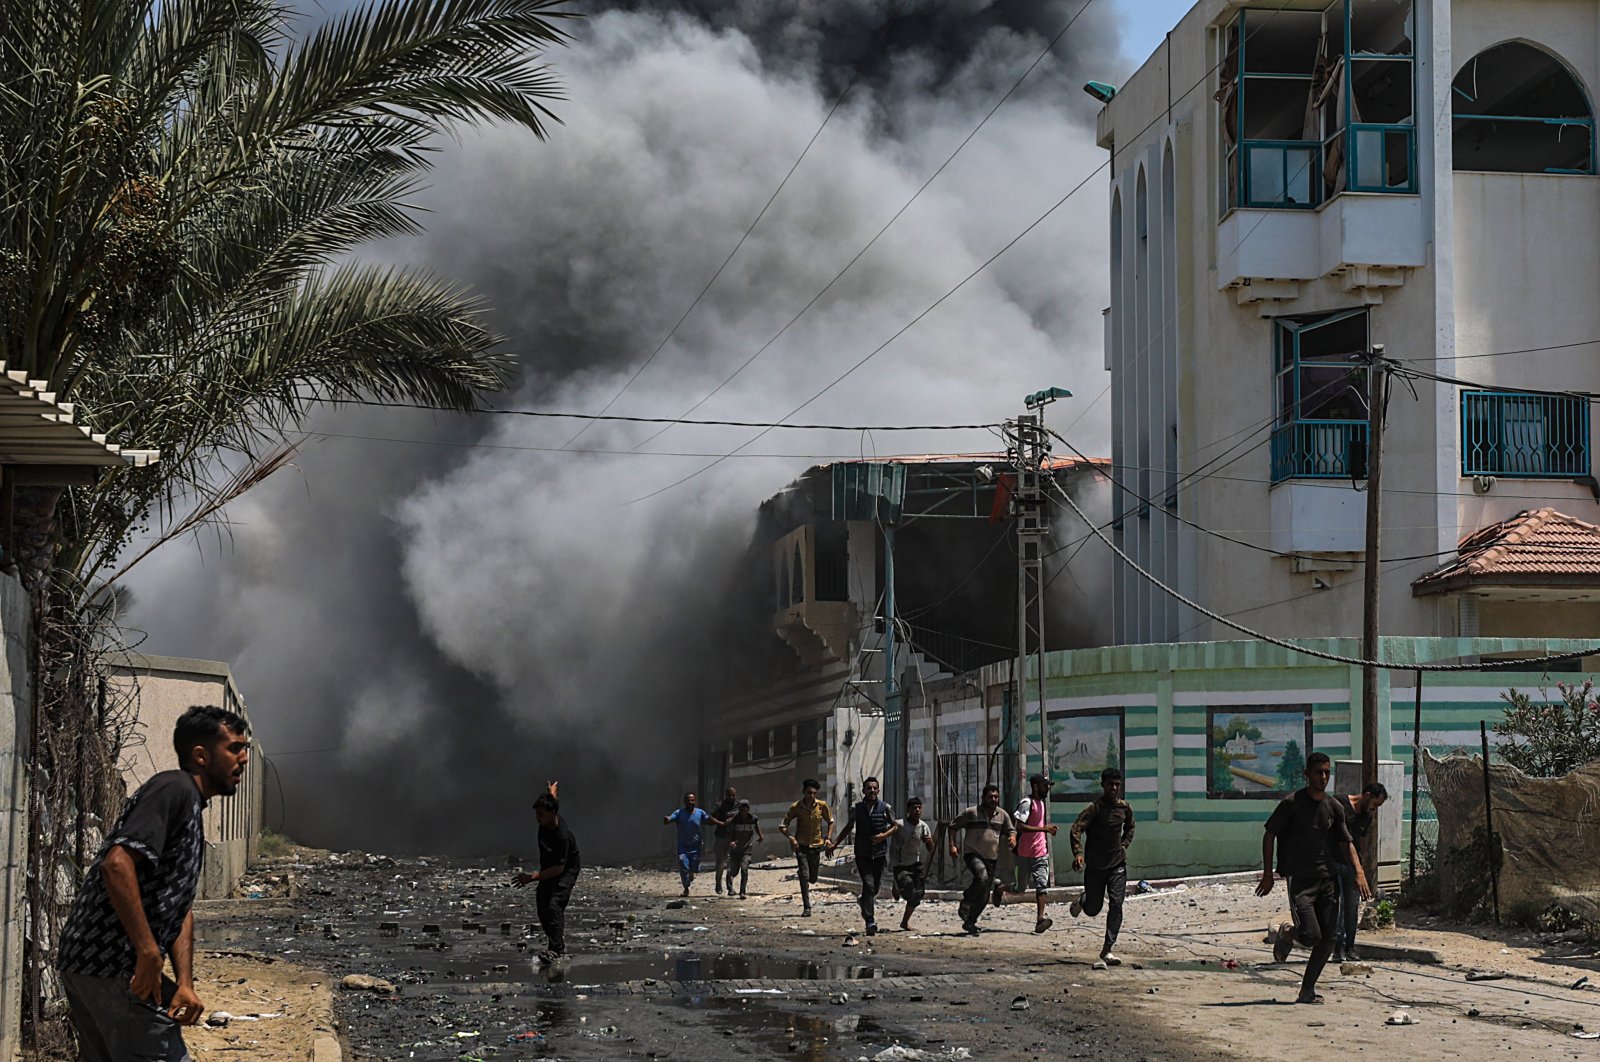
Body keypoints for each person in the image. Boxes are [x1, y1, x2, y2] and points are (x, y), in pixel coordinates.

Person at [57, 704, 251, 1060]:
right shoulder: (173, 788)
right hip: (114, 966)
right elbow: (117, 864)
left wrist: (186, 984)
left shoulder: (190, 805)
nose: (243, 759)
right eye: (234, 748)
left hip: (93, 965)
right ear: (201, 756)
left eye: (245, 749)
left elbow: (178, 908)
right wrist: (148, 951)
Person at [1258, 752, 1372, 1005]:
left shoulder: (1333, 807)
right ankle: (1288, 934)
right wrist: (1268, 874)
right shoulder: (1292, 803)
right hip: (1301, 879)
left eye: (1326, 773)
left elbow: (1347, 842)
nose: (1323, 777)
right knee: (1311, 935)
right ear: (1307, 774)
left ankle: (1307, 989)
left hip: (1328, 879)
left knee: (1329, 938)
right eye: (1318, 772)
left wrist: (1359, 872)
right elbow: (1269, 835)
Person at [1068, 767, 1136, 965]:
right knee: (1092, 909)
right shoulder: (1094, 809)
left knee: (1116, 904)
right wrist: (1078, 854)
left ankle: (1107, 949)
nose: (1114, 788)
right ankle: (1084, 899)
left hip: (1117, 865)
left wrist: (1124, 845)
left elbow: (1131, 827)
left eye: (1117, 785)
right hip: (1096, 866)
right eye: (1110, 784)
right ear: (1103, 785)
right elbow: (1076, 829)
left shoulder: (1125, 808)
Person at [513, 780, 580, 964]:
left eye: (541, 814)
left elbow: (559, 869)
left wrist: (530, 878)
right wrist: (551, 792)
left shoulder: (561, 836)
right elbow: (553, 803)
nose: (538, 818)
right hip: (550, 864)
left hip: (567, 868)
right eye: (537, 814)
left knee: (554, 904)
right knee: (542, 900)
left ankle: (556, 948)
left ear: (552, 814)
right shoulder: (547, 819)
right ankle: (555, 943)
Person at [829, 776, 896, 936]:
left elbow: (895, 827)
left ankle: (863, 901)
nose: (872, 790)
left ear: (878, 790)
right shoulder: (857, 809)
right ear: (864, 791)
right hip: (862, 853)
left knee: (875, 886)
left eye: (875, 788)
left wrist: (882, 836)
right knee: (869, 884)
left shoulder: (886, 807)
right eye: (869, 788)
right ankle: (870, 921)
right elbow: (849, 826)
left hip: (879, 853)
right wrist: (835, 843)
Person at [947, 782, 1015, 935]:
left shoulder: (1002, 815)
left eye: (996, 796)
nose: (994, 799)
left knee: (984, 896)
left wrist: (1012, 837)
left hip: (991, 858)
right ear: (983, 797)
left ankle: (970, 922)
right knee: (982, 877)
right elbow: (952, 826)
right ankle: (967, 900)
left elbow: (1011, 830)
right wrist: (952, 845)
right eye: (990, 796)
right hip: (973, 854)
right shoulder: (971, 812)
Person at [1332, 781, 1388, 961]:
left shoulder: (1366, 816)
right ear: (1367, 795)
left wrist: (1360, 867)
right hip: (1334, 861)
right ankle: (1337, 948)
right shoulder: (1339, 804)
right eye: (1375, 804)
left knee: (1352, 906)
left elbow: (1361, 841)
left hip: (1352, 866)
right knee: (1337, 907)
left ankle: (1350, 946)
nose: (1374, 809)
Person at [779, 778, 833, 917]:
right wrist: (791, 838)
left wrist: (828, 838)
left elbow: (831, 821)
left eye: (814, 793)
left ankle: (806, 875)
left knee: (813, 878)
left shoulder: (822, 806)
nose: (811, 796)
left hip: (816, 846)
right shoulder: (796, 807)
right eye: (809, 793)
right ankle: (807, 907)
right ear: (804, 792)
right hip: (801, 846)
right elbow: (783, 825)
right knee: (804, 875)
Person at [1013, 772, 1058, 934]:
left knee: (1041, 886)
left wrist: (1046, 831)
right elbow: (1019, 826)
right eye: (1045, 786)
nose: (1047, 789)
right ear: (1036, 786)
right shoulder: (1027, 803)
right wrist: (1043, 829)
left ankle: (1040, 919)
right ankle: (999, 889)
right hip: (1024, 853)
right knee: (1019, 889)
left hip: (1040, 852)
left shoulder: (1042, 803)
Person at [889, 795, 935, 931]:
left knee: (919, 894)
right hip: (900, 864)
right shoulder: (900, 824)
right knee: (909, 888)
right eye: (914, 807)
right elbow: (886, 832)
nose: (917, 810)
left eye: (919, 807)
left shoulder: (923, 827)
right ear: (908, 810)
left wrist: (929, 842)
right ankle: (897, 885)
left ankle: (904, 922)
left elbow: (930, 848)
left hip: (915, 863)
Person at [663, 792, 713, 897]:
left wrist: (717, 820)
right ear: (685, 802)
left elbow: (708, 820)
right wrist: (667, 819)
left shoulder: (700, 813)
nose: (691, 802)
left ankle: (692, 873)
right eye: (689, 800)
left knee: (694, 868)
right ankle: (686, 888)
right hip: (683, 846)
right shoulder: (679, 813)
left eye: (692, 800)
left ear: (695, 801)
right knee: (682, 864)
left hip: (696, 845)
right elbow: (670, 818)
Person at [724, 799, 763, 898]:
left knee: (744, 869)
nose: (744, 813)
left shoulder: (753, 819)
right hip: (735, 850)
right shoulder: (734, 821)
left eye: (746, 810)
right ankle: (730, 888)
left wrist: (760, 836)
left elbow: (756, 826)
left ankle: (742, 892)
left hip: (746, 850)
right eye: (742, 810)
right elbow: (728, 834)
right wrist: (731, 842)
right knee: (733, 871)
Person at [710, 786, 740, 895]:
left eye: (733, 795)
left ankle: (730, 887)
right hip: (721, 837)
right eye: (729, 795)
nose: (731, 797)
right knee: (720, 863)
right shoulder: (720, 805)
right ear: (726, 795)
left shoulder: (739, 805)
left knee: (731, 863)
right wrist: (721, 823)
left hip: (734, 838)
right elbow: (711, 817)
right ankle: (718, 883)